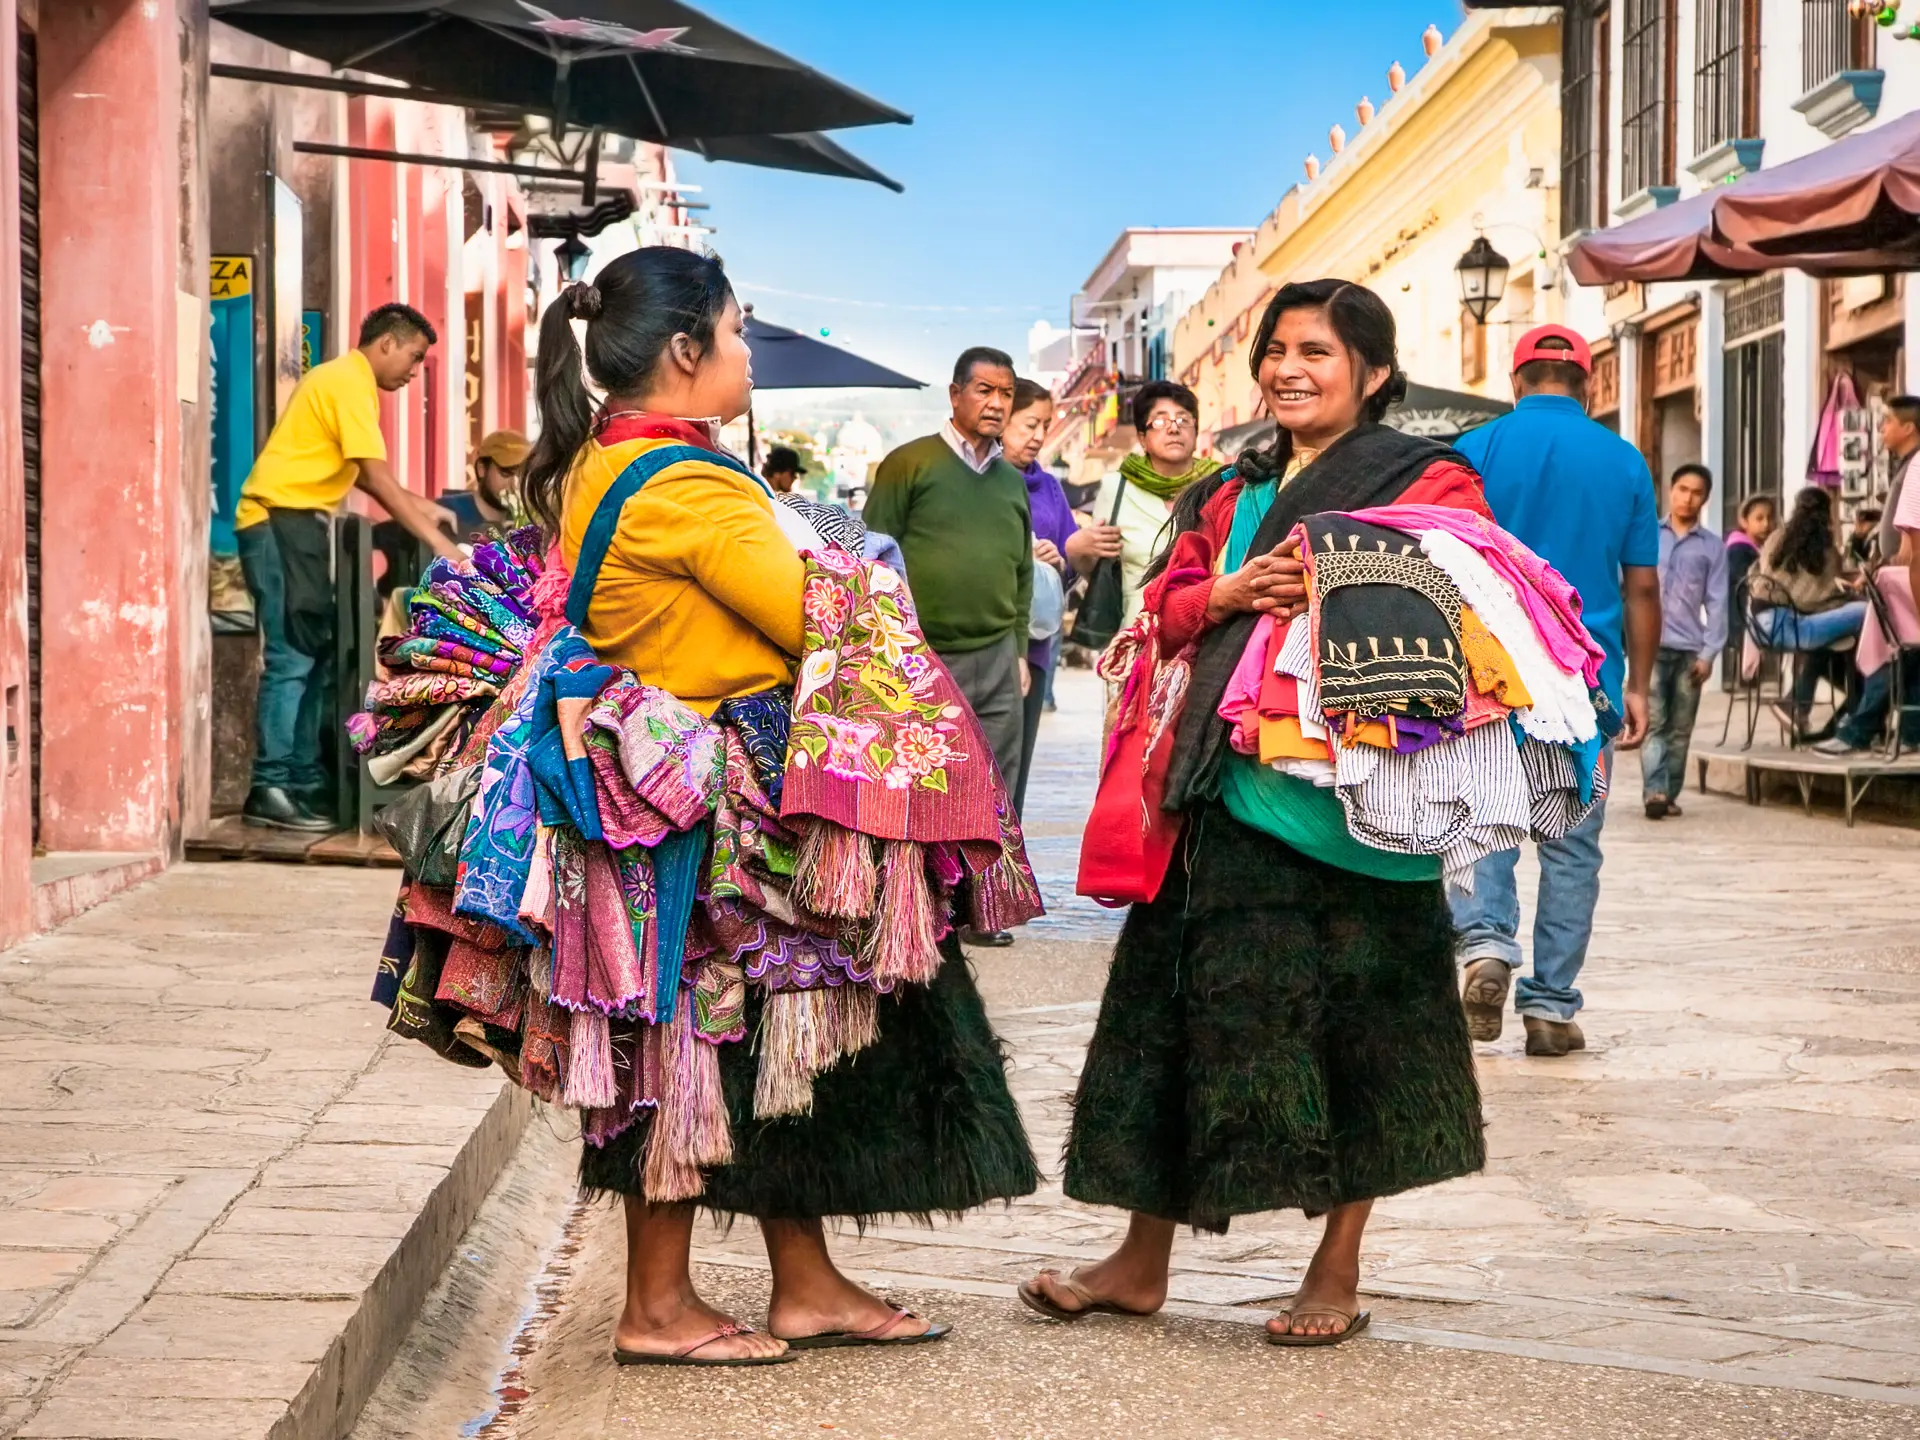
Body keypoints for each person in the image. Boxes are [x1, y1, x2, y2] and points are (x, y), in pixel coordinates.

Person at [522, 249, 1037, 1366]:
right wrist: (861, 556)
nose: (749, 353)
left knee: (756, 1044)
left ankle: (804, 1283)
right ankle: (655, 1307)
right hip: (709, 812)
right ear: (684, 351)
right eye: (738, 332)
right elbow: (821, 617)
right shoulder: (686, 485)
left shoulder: (616, 463)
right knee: (691, 1046)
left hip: (677, 799)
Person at [1021, 280, 1489, 1346]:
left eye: (1316, 351)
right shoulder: (1230, 496)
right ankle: (1139, 1261)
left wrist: (1331, 575)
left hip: (1365, 807)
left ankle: (1337, 1264)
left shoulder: (1433, 482)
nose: (1287, 368)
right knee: (1170, 1020)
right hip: (1225, 799)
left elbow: (1465, 600)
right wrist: (1228, 597)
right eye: (1276, 349)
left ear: (1371, 372)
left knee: (1367, 1034)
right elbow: (1162, 613)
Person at [1447, 324, 1659, 1058]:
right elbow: (1641, 586)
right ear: (1589, 382)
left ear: (1516, 381)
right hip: (1588, 686)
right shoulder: (1625, 460)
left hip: (1485, 678)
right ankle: (1551, 1008)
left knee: (1486, 823)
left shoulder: (1472, 452)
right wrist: (1639, 684)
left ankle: (1485, 945)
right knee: (1572, 846)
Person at [236, 303, 461, 832]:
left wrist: (419, 504)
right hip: (277, 522)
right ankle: (270, 787)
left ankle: (301, 780)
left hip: (300, 524)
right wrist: (438, 542)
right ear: (386, 343)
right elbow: (376, 478)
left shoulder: (345, 383)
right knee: (292, 658)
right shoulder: (346, 381)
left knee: (315, 653)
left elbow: (363, 475)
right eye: (413, 356)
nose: (413, 370)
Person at [864, 348, 1033, 945]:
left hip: (994, 654)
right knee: (926, 780)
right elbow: (872, 555)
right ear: (956, 394)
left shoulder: (1012, 480)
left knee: (999, 783)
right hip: (924, 653)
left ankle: (982, 910)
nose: (996, 403)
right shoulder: (910, 464)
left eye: (1005, 393)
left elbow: (1020, 571)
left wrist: (1016, 648)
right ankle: (921, 909)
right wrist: (890, 643)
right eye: (984, 390)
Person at [1817, 398, 1920, 754]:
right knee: (1908, 654)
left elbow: (1911, 538)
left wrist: (1899, 565)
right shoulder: (1907, 465)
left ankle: (1859, 732)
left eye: (1888, 421)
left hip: (1908, 579)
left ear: (1908, 427)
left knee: (1893, 652)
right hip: (1900, 575)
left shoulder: (1916, 466)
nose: (1882, 428)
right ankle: (1908, 732)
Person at [1078, 380, 1223, 624]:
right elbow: (1099, 568)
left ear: (1196, 433)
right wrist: (1077, 550)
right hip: (1138, 633)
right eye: (1160, 421)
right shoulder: (1116, 487)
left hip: (1207, 633)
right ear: (1143, 438)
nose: (1174, 428)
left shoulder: (1222, 484)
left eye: (1183, 419)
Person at [1003, 379, 1076, 817]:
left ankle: (1008, 874)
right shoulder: (982, 481)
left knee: (1017, 769)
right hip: (985, 641)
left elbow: (1068, 554)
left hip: (1036, 642)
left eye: (1045, 425)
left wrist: (1061, 560)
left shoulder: (1048, 486)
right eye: (1029, 424)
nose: (1038, 435)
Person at [1642, 464, 1727, 819]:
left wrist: (1709, 653)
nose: (1687, 498)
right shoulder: (1647, 535)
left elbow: (1719, 602)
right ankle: (1655, 792)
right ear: (1671, 490)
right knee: (1655, 722)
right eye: (1681, 489)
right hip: (1649, 647)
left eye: (1695, 492)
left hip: (1690, 649)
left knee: (1681, 728)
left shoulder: (1712, 547)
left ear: (1705, 499)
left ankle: (1670, 792)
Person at [1751, 488, 1868, 738]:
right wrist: (1849, 595)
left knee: (1824, 640)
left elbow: (1762, 576)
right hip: (1789, 625)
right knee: (1864, 611)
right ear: (1827, 514)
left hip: (1758, 623)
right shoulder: (1825, 549)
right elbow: (1816, 601)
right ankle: (1860, 693)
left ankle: (1797, 704)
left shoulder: (1775, 538)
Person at [439, 429, 530, 544]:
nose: (515, 484)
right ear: (481, 469)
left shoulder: (530, 523)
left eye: (523, 475)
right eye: (506, 473)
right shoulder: (447, 512)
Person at [1725, 493, 1776, 615]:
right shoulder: (1738, 551)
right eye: (1759, 518)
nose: (1766, 524)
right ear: (1744, 522)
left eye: (1770, 518)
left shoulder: (1759, 549)